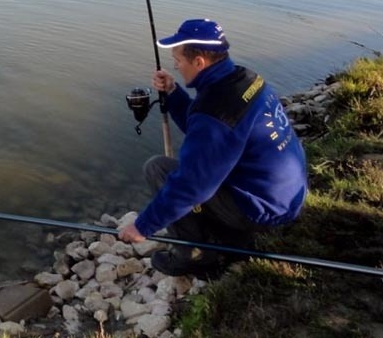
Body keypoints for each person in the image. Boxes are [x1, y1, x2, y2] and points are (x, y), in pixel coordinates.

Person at [117, 18, 308, 277]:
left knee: (159, 169)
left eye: (179, 60)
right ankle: (222, 234)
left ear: (199, 62)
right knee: (190, 172)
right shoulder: (246, 78)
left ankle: (195, 256)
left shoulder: (215, 110)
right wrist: (173, 93)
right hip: (289, 195)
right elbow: (209, 130)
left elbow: (192, 185)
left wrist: (143, 226)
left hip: (265, 212)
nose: (175, 65)